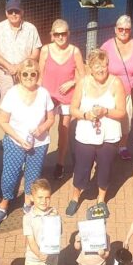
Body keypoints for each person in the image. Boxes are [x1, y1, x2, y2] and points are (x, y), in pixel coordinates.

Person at [0, 59, 55, 228]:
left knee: (33, 176)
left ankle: (28, 204)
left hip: (38, 144)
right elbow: (3, 121)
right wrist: (18, 138)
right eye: (25, 73)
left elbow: (51, 118)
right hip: (14, 142)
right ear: (19, 75)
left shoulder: (44, 94)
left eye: (33, 74)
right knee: (9, 177)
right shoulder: (12, 94)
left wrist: (41, 129)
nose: (29, 77)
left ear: (37, 75)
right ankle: (3, 208)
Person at [66, 48, 127, 217]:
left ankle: (101, 200)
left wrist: (105, 111)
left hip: (109, 136)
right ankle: (75, 197)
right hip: (85, 135)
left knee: (105, 168)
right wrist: (86, 115)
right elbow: (73, 109)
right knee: (81, 168)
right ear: (90, 68)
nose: (101, 69)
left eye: (104, 65)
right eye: (97, 66)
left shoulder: (116, 83)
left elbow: (122, 112)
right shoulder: (83, 83)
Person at [38, 19, 85, 180]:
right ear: (52, 35)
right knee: (43, 129)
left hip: (67, 98)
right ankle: (38, 161)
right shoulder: (45, 50)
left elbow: (83, 76)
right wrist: (38, 95)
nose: (60, 37)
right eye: (57, 34)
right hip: (48, 96)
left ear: (68, 34)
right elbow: (40, 74)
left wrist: (71, 82)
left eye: (63, 33)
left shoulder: (75, 52)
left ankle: (60, 163)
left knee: (63, 131)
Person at [100, 14, 133, 160]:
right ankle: (105, 146)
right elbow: (98, 66)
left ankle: (122, 146)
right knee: (109, 119)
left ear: (130, 30)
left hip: (128, 92)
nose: (124, 32)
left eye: (127, 29)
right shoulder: (106, 46)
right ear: (115, 29)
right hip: (111, 92)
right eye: (121, 29)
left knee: (126, 120)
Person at [0, 0, 42, 100]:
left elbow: (35, 54)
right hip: (5, 75)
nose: (13, 14)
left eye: (16, 11)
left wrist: (18, 67)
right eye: (10, 11)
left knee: (26, 102)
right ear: (6, 13)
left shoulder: (31, 29)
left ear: (22, 12)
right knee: (7, 105)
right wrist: (9, 66)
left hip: (26, 74)